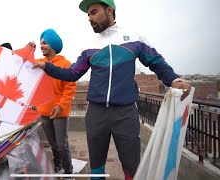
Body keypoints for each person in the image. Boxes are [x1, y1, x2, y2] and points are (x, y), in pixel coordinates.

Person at [32, 0, 192, 179]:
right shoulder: (88, 45)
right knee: (97, 165)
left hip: (126, 113)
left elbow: (156, 62)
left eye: (94, 12)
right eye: (88, 15)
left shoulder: (134, 37)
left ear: (109, 10)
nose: (90, 18)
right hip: (96, 113)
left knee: (131, 166)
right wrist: (46, 67)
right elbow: (72, 73)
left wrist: (174, 80)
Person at [29, 29, 76, 176]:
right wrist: (29, 51)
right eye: (40, 43)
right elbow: (23, 65)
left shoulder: (66, 64)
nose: (42, 45)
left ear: (53, 44)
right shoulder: (38, 63)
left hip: (59, 112)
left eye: (45, 43)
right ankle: (57, 165)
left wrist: (60, 105)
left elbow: (70, 88)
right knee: (54, 145)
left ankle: (68, 172)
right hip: (44, 112)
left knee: (62, 145)